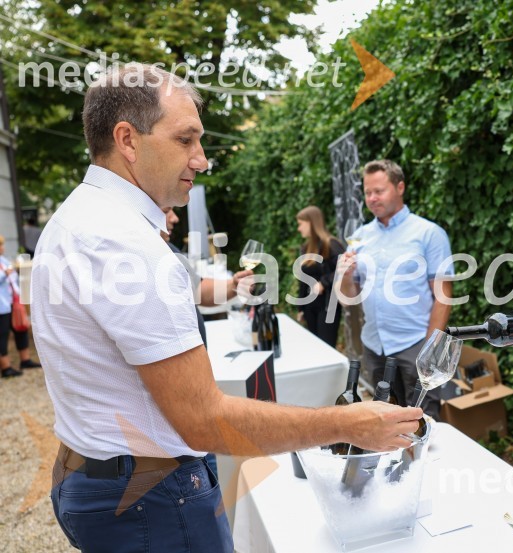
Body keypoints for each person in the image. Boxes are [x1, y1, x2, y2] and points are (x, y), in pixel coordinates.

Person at [31, 63, 422, 553]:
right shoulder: (126, 245)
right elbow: (205, 420)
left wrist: (227, 289)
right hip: (151, 498)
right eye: (186, 140)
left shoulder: (80, 217)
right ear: (127, 140)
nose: (202, 159)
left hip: (92, 476)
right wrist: (347, 424)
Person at [336, 160, 453, 417]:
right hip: (374, 347)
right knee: (385, 421)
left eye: (379, 191)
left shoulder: (429, 234)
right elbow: (349, 300)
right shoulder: (361, 236)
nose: (372, 198)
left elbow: (443, 296)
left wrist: (430, 349)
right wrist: (345, 276)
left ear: (400, 187)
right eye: (367, 193)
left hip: (415, 346)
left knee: (423, 422)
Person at [161, 206, 252, 345]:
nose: (175, 218)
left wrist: (234, 285)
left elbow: (198, 290)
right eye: (166, 211)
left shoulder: (170, 250)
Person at [295, 205, 345, 347]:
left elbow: (343, 269)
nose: (299, 229)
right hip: (310, 306)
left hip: (328, 306)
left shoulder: (331, 245)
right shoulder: (305, 247)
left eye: (301, 224)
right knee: (314, 347)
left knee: (327, 346)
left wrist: (323, 282)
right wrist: (301, 308)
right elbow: (303, 280)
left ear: (311, 222)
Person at [0, 234, 40, 378]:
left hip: (12, 302)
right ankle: (5, 368)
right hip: (2, 306)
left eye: (2, 244)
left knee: (21, 329)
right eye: (0, 245)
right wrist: (5, 273)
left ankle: (25, 360)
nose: (2, 248)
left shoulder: (3, 260)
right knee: (2, 335)